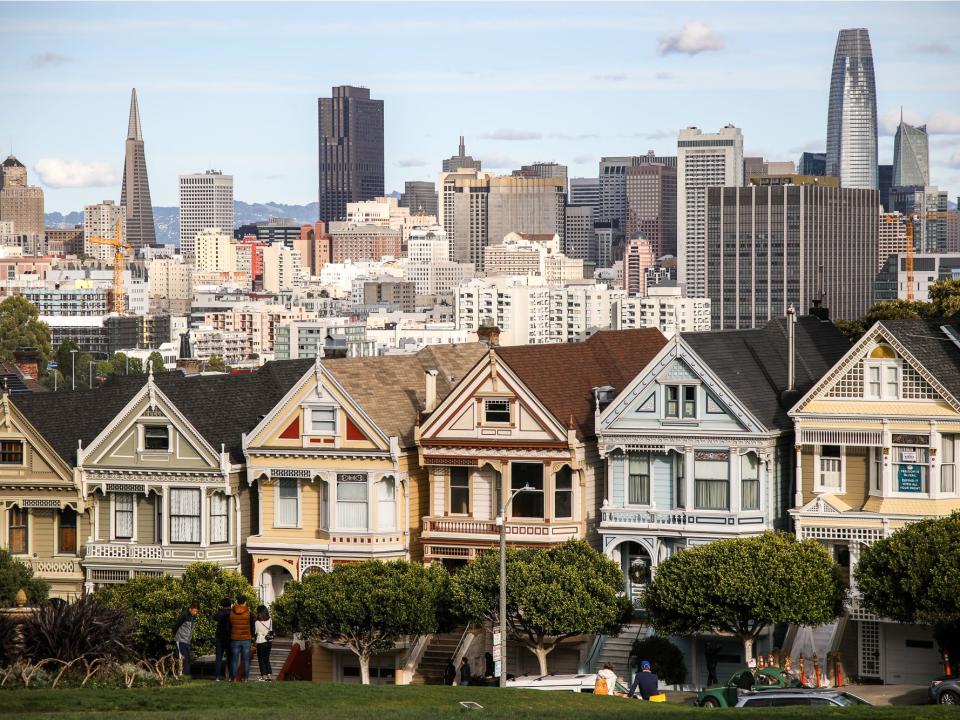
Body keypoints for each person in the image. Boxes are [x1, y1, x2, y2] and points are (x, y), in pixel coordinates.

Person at [229, 595, 254, 681]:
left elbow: (230, 625)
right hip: (246, 638)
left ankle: (234, 678)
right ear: (245, 602)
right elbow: (252, 626)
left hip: (235, 638)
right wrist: (252, 636)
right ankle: (246, 678)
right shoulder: (248, 613)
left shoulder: (232, 612)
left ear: (237, 602)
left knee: (234, 659)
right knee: (246, 659)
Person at [172, 601, 199, 677]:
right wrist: (175, 634)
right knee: (181, 657)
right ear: (190, 609)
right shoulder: (184, 615)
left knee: (187, 658)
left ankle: (186, 674)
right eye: (195, 611)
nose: (195, 613)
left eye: (197, 611)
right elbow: (176, 625)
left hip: (187, 640)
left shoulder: (193, 617)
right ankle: (181, 675)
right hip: (180, 639)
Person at [212, 597, 233, 682]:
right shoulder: (232, 613)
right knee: (230, 658)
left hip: (219, 637)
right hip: (229, 637)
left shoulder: (219, 613)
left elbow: (213, 617)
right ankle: (231, 676)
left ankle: (217, 676)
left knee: (218, 657)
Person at [254, 605, 274, 681]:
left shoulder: (257, 622)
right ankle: (269, 675)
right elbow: (270, 630)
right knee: (267, 659)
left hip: (261, 642)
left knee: (261, 660)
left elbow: (257, 632)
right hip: (269, 642)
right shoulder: (270, 620)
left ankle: (264, 676)